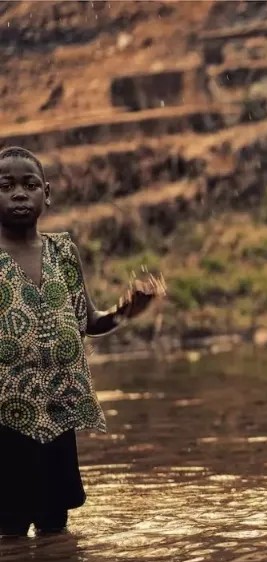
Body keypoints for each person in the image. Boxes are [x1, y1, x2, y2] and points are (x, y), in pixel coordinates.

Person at [0, 146, 165, 537]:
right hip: (5, 417)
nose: (20, 194)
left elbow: (89, 321)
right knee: (8, 529)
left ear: (48, 193)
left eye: (30, 185)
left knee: (55, 526)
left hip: (58, 413)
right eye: (6, 186)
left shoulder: (63, 252)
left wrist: (127, 309)